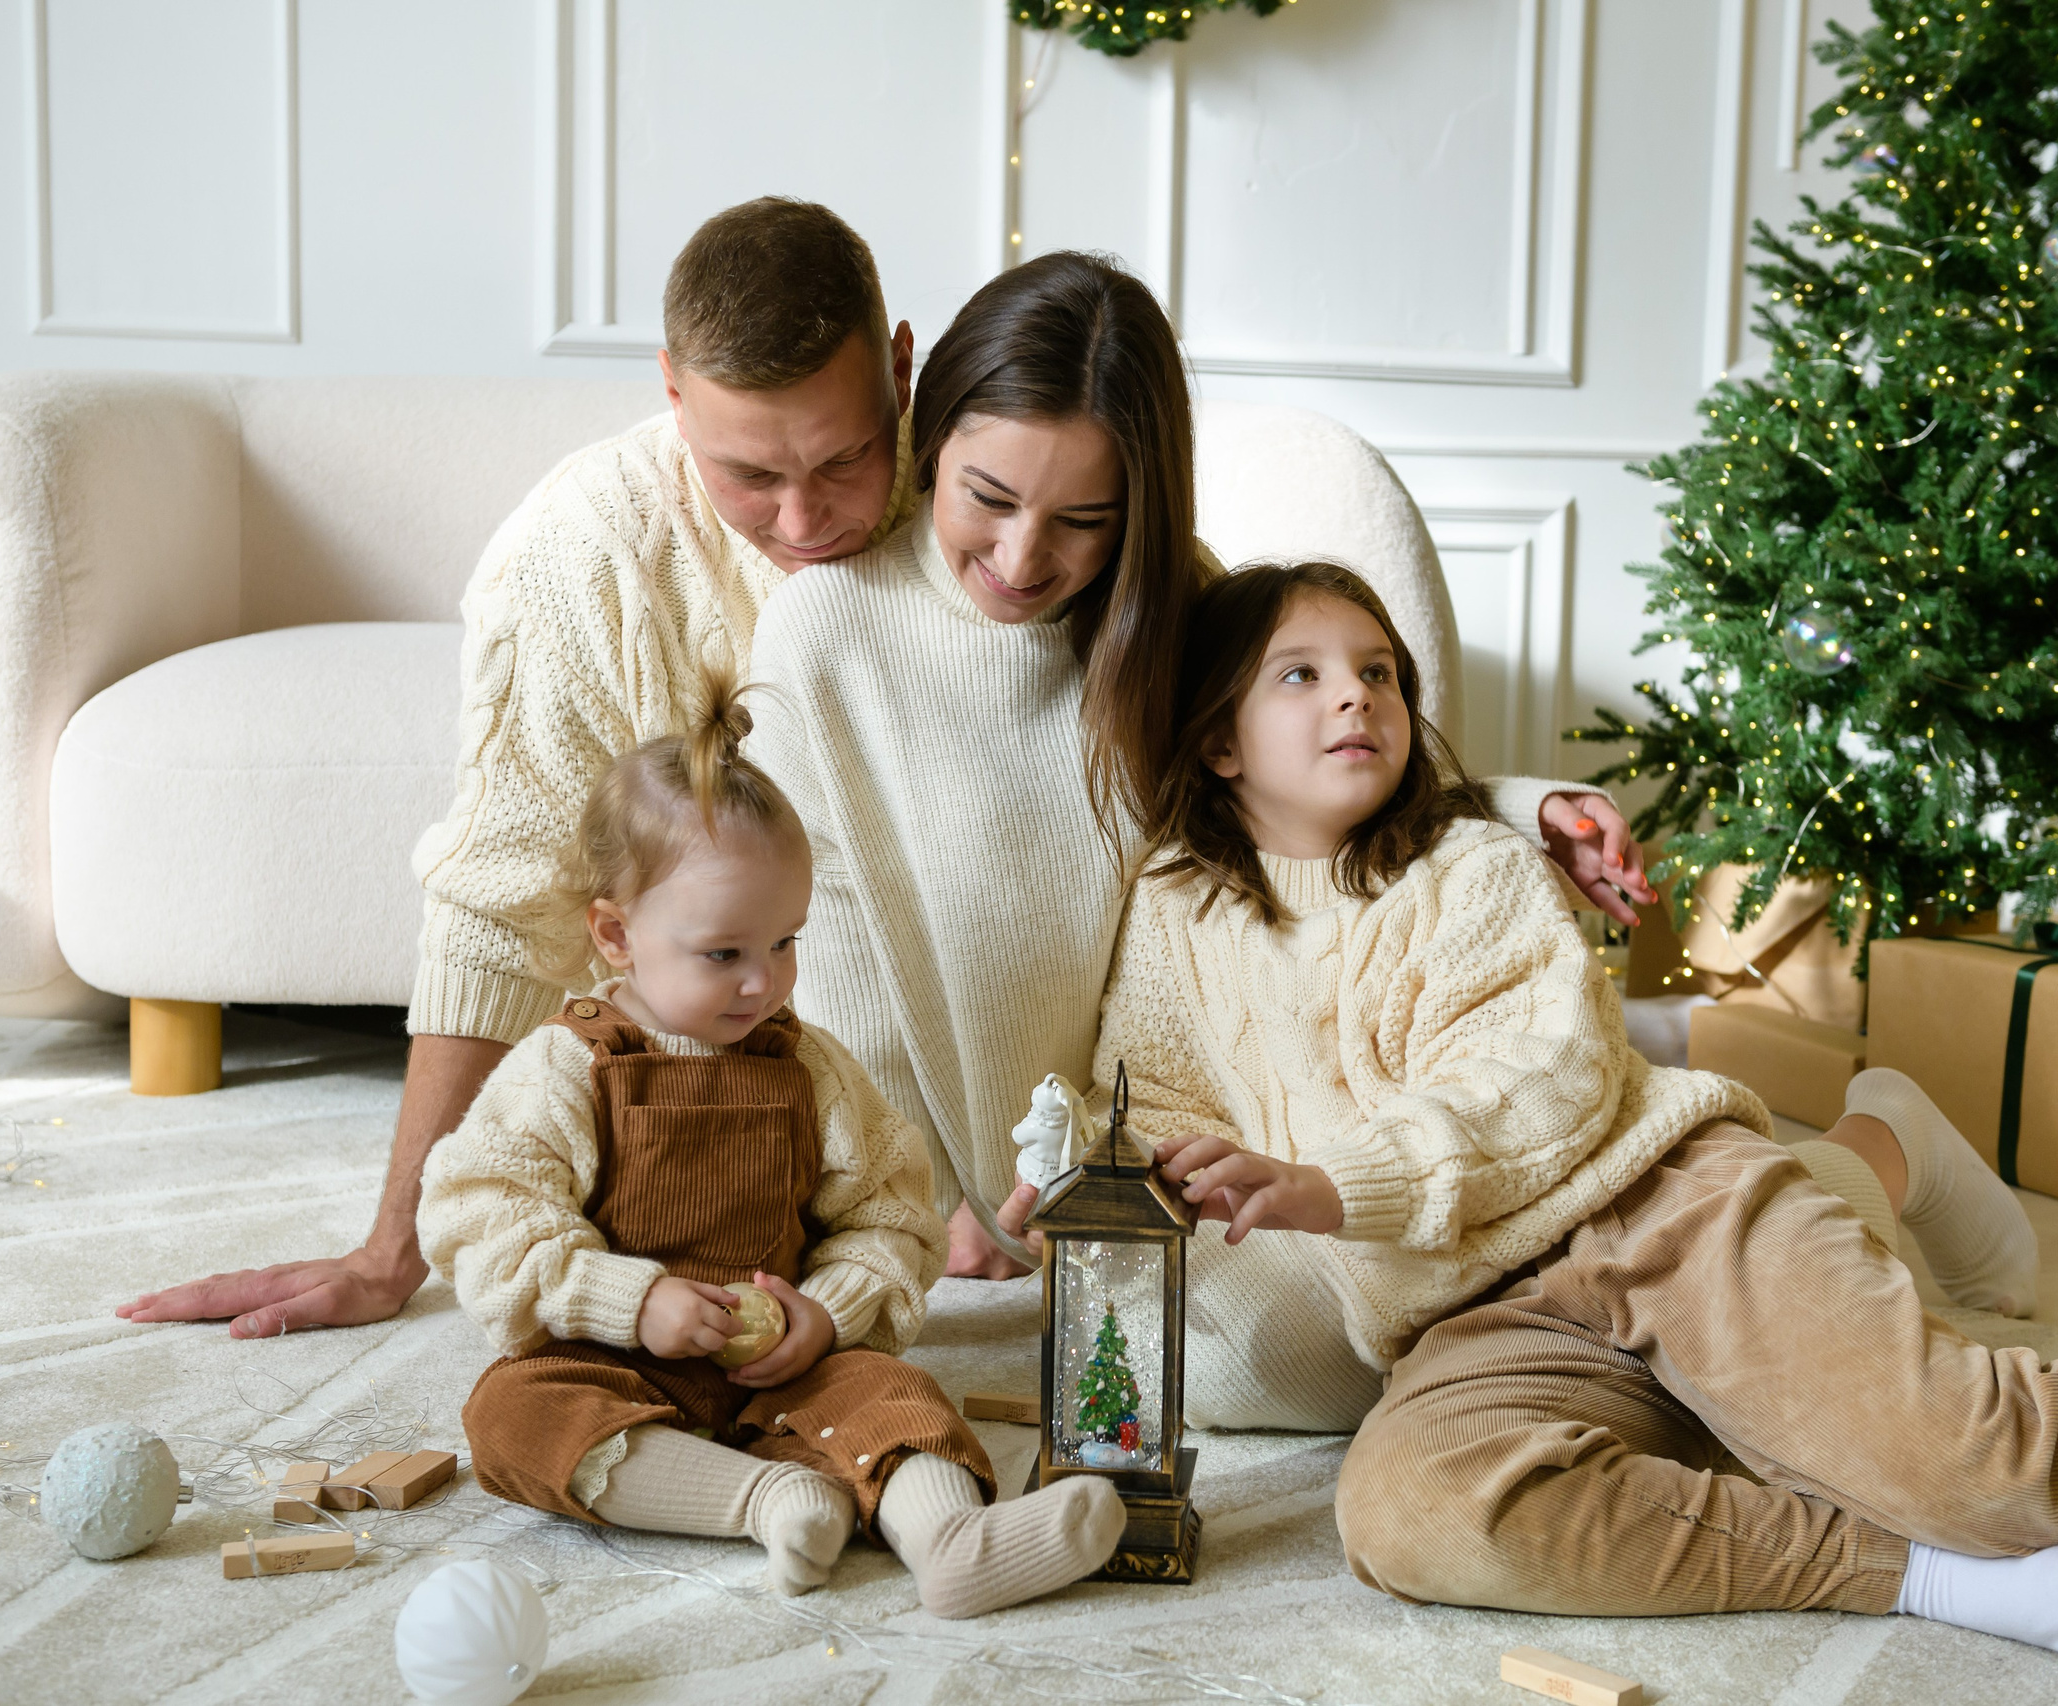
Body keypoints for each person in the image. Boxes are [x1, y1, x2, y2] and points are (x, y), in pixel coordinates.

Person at [116, 205, 1654, 1333]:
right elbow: (510, 899)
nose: (802, 518)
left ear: (904, 387)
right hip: (804, 1097)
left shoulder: (1074, 547)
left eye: (845, 461)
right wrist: (397, 1238)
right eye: (749, 476)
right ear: (670, 397)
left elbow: (1280, 721)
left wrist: (1511, 807)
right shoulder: (599, 564)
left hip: (1063, 1137)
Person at [1102, 560, 2058, 1678]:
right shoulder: (1176, 912)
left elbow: (1545, 1080)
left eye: (1380, 670)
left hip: (1659, 1203)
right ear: (1220, 739)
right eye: (1305, 673)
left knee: (1977, 1452)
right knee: (1414, 1508)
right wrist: (1056, 1202)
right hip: (1467, 1318)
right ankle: (1929, 1575)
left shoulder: (1476, 865)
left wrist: (1332, 1181)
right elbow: (1142, 1106)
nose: (1357, 695)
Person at [741, 250, 1649, 1284]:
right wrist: (909, 1200)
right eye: (986, 496)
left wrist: (1524, 809)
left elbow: (1305, 787)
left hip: (1139, 1192)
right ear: (930, 439)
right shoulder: (824, 633)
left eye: (1084, 519)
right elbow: (828, 960)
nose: (1023, 555)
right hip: (924, 1223)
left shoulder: (1170, 613)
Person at [416, 672, 1124, 1617]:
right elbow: (482, 1214)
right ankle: (767, 1500)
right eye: (724, 954)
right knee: (513, 1416)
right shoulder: (564, 1068)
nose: (764, 985)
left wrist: (825, 1316)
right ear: (616, 935)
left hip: (789, 1364)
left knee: (892, 1392)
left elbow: (890, 1214)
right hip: (614, 1358)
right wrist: (633, 1302)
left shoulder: (809, 1068)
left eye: (785, 943)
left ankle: (952, 1543)